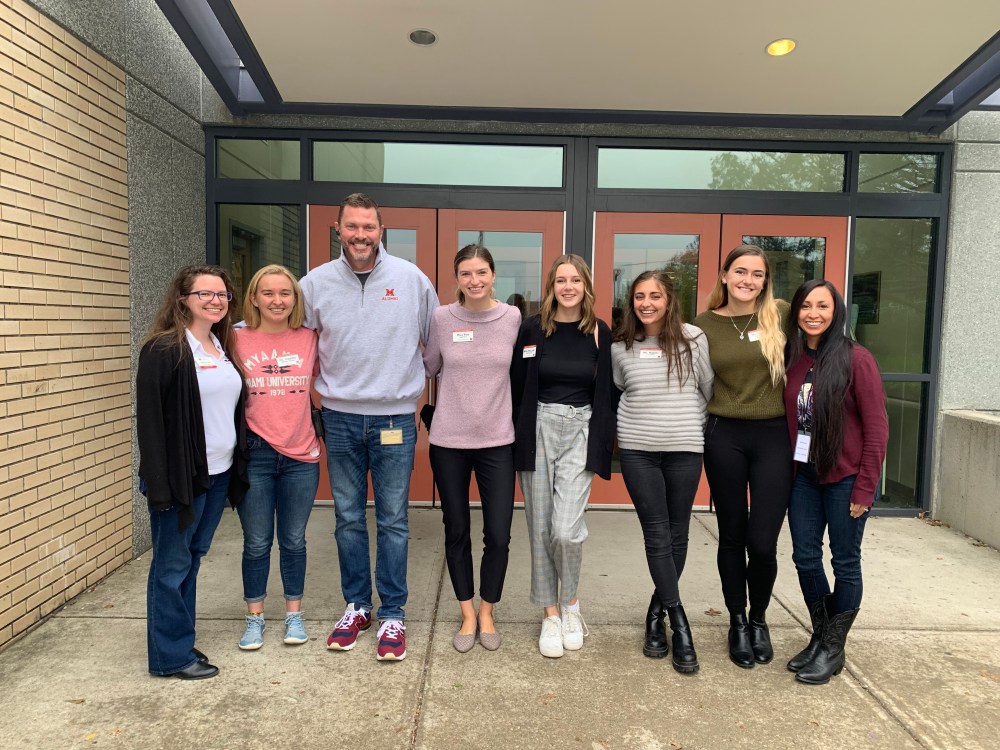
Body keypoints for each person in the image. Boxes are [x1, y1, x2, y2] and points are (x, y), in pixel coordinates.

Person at [300, 193, 437, 662]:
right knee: (348, 519)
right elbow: (291, 338)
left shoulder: (411, 279)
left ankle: (393, 612)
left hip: (395, 417)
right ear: (338, 229)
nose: (361, 235)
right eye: (352, 227)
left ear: (382, 230)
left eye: (369, 227)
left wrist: (420, 391)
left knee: (395, 520)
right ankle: (357, 606)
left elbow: (435, 344)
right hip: (338, 419)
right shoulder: (314, 284)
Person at [136, 264, 248, 680]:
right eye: (206, 293)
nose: (216, 300)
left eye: (222, 295)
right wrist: (161, 487)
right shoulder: (163, 350)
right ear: (183, 299)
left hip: (216, 475)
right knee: (170, 567)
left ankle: (178, 638)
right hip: (179, 478)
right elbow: (149, 423)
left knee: (192, 559)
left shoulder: (220, 347)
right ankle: (170, 658)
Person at [783, 280, 888, 684]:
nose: (813, 313)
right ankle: (820, 637)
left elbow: (877, 428)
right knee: (805, 558)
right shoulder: (794, 359)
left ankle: (833, 648)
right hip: (804, 477)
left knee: (844, 562)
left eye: (822, 306)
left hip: (846, 478)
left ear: (836, 311)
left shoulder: (856, 359)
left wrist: (866, 487)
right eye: (806, 306)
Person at [511, 254, 615, 659]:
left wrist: (602, 443)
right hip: (537, 427)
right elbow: (518, 384)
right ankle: (550, 613)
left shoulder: (598, 333)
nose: (567, 287)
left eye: (575, 280)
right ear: (551, 286)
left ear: (586, 286)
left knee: (565, 529)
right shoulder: (533, 329)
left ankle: (571, 602)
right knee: (539, 527)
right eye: (560, 280)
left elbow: (607, 392)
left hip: (580, 429)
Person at [693, 245, 791, 669]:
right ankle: (736, 620)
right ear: (725, 275)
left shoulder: (781, 315)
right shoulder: (701, 326)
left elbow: (829, 332)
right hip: (724, 435)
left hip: (774, 436)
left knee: (762, 541)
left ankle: (759, 619)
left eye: (757, 274)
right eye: (740, 272)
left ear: (765, 280)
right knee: (732, 534)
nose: (748, 280)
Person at [612, 271, 713, 673]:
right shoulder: (621, 346)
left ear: (670, 300)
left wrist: (694, 428)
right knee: (657, 533)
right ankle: (680, 622)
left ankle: (657, 613)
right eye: (639, 296)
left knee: (678, 532)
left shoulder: (693, 339)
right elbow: (622, 389)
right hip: (638, 451)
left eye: (655, 296)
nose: (647, 303)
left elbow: (708, 388)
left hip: (685, 449)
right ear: (632, 301)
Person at [423, 245, 521, 653]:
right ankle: (466, 612)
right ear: (456, 277)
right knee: (457, 529)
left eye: (481, 272)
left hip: (498, 441)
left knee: (498, 534)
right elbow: (429, 367)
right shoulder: (442, 317)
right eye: (466, 273)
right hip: (449, 442)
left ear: (493, 275)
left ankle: (487, 610)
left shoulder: (512, 318)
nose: (474, 280)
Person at [233, 265, 321, 650]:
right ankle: (254, 619)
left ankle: (293, 614)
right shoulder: (234, 338)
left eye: (285, 293)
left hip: (301, 454)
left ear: (295, 299)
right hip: (256, 455)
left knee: (294, 540)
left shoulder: (310, 338)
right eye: (268, 293)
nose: (277, 301)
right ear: (253, 297)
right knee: (256, 542)